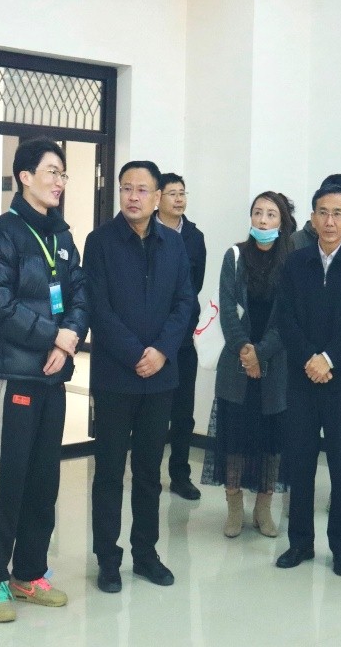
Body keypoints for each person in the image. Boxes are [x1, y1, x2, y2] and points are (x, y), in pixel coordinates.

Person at [0, 138, 88, 622]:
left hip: (52, 378)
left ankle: (29, 573)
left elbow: (80, 293)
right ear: (25, 176)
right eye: (52, 171)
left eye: (63, 174)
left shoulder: (62, 237)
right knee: (8, 480)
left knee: (44, 479)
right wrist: (53, 336)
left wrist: (69, 338)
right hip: (14, 374)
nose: (60, 181)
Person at [85, 160, 197, 593]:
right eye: (126, 188)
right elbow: (98, 308)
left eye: (142, 189)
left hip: (160, 378)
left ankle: (146, 554)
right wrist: (136, 354)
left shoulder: (174, 244)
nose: (132, 196)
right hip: (116, 376)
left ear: (157, 197)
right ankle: (107, 559)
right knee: (110, 472)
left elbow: (185, 302)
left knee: (150, 472)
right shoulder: (100, 242)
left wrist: (162, 351)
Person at [275, 184, 341, 577]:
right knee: (299, 464)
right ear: (312, 218)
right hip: (302, 379)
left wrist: (329, 358)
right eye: (323, 212)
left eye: (338, 213)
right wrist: (309, 359)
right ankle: (300, 543)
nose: (330, 221)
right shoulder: (295, 261)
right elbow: (285, 318)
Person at [201, 191, 297, 538]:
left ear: (282, 222)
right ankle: (234, 508)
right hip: (236, 363)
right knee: (234, 439)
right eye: (258, 212)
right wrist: (245, 350)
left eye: (271, 214)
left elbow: (289, 317)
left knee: (270, 442)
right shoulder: (235, 256)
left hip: (275, 367)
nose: (263, 220)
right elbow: (227, 308)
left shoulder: (292, 261)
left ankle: (263, 509)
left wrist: (261, 353)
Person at [156, 172, 206, 501]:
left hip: (184, 337)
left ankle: (180, 474)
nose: (179, 199)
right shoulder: (146, 230)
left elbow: (194, 285)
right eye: (172, 193)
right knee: (154, 412)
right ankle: (148, 472)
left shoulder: (194, 236)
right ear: (158, 197)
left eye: (182, 193)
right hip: (151, 337)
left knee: (183, 412)